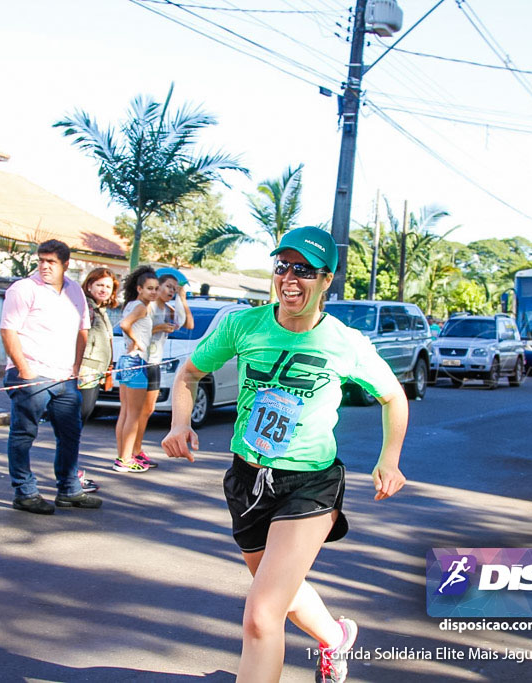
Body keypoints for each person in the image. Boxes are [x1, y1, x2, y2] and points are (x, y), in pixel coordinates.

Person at [162, 226, 408, 683]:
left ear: (327, 278)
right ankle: (334, 638)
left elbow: (394, 396)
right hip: (247, 480)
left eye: (304, 270)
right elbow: (188, 374)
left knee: (260, 614)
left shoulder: (346, 342)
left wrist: (388, 458)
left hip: (309, 484)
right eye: (282, 267)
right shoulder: (243, 325)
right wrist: (180, 422)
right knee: (279, 592)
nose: (290, 278)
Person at [0, 239, 100, 514]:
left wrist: (77, 367)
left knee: (71, 433)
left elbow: (83, 330)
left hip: (64, 377)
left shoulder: (75, 292)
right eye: (41, 260)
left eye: (51, 262)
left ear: (65, 265)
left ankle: (69, 489)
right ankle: (24, 491)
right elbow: (8, 331)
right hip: (32, 374)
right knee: (23, 433)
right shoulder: (24, 289)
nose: (44, 266)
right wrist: (24, 370)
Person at [130, 269, 194, 469]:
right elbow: (130, 329)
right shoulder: (145, 308)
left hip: (156, 362)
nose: (171, 291)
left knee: (148, 410)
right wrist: (158, 328)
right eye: (168, 287)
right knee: (133, 412)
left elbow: (189, 324)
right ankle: (128, 453)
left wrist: (182, 299)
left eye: (174, 289)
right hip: (139, 361)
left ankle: (137, 451)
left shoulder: (167, 310)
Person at [113, 266, 161, 473]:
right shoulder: (140, 307)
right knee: (134, 414)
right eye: (150, 288)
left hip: (125, 361)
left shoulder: (132, 304)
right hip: (135, 361)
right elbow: (125, 325)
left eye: (156, 289)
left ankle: (122, 456)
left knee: (125, 413)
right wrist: (137, 343)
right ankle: (125, 459)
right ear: (139, 288)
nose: (154, 292)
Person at [77, 267, 119, 492]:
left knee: (77, 427)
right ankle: (71, 476)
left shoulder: (99, 310)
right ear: (89, 285)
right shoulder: (85, 307)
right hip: (84, 374)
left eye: (108, 286)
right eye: (99, 285)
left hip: (94, 375)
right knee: (73, 427)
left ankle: (71, 473)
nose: (103, 289)